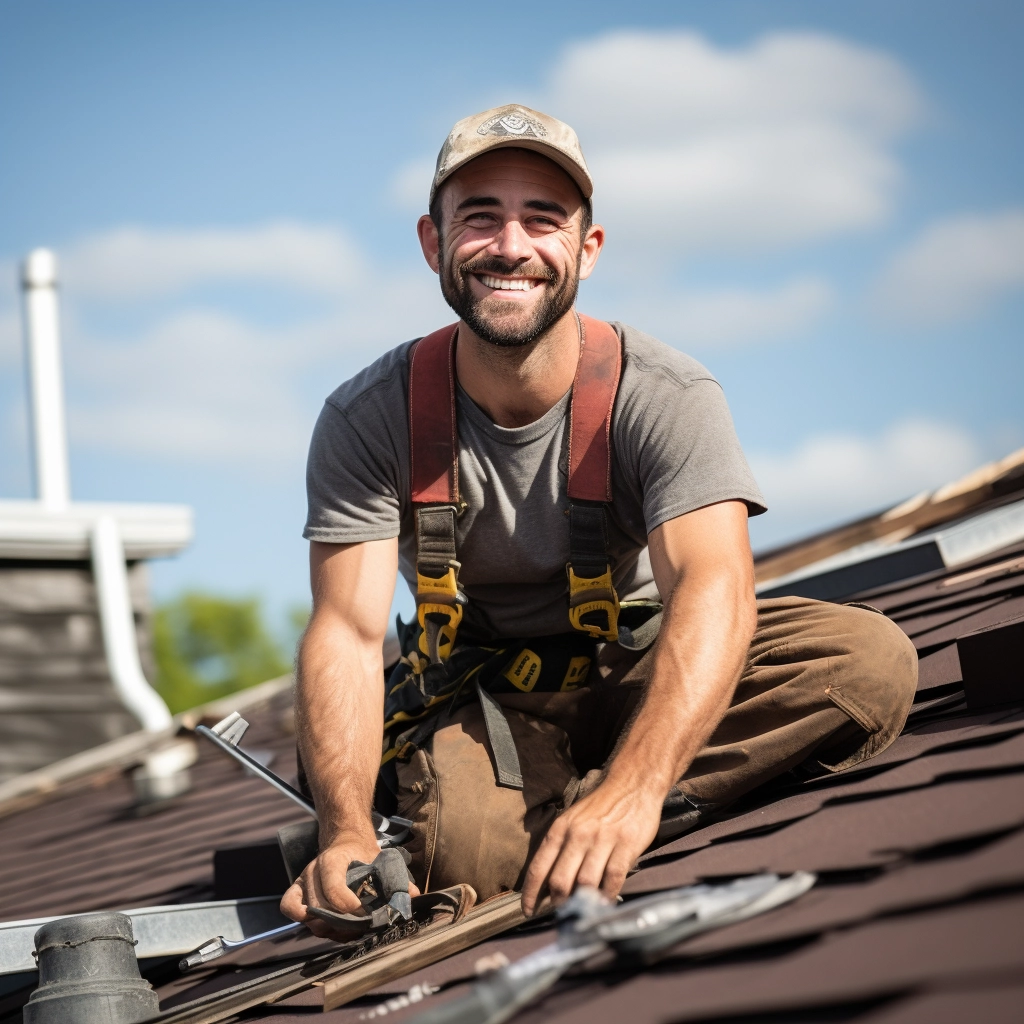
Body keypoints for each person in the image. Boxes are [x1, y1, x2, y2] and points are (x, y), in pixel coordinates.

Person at [281, 104, 917, 932]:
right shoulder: (369, 417)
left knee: (867, 664)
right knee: (463, 861)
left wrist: (634, 790)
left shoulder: (665, 393)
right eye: (479, 218)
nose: (511, 246)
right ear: (433, 245)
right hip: (493, 704)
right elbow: (348, 635)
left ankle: (585, 817)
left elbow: (714, 590)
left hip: (645, 670)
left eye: (542, 220)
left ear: (587, 249)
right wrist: (345, 835)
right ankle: (526, 820)